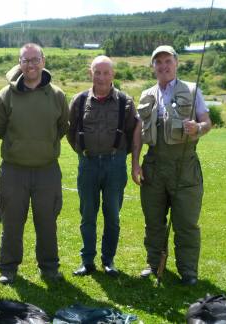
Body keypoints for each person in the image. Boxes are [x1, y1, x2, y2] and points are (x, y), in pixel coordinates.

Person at [132, 45, 212, 286]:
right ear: (153, 66)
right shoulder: (147, 94)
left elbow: (207, 122)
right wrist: (135, 164)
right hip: (153, 165)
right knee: (154, 222)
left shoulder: (192, 90)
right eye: (159, 62)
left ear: (176, 63)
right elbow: (138, 132)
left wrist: (198, 129)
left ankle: (188, 271)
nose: (163, 66)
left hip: (184, 167)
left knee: (186, 223)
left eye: (168, 61)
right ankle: (153, 263)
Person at [0, 43, 69, 284]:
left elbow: (62, 127)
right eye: (26, 60)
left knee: (47, 221)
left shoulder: (57, 95)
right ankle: (8, 267)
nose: (31, 65)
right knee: (12, 221)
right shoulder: (6, 95)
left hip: (47, 170)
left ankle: (49, 267)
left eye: (35, 59)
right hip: (14, 170)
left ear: (43, 62)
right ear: (20, 63)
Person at [67, 55, 139, 277]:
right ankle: (87, 261)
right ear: (91, 73)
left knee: (112, 216)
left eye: (106, 72)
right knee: (87, 215)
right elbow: (71, 133)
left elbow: (133, 133)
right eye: (97, 72)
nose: (101, 77)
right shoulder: (79, 101)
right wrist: (84, 151)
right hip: (87, 164)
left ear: (113, 75)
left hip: (115, 165)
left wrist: (123, 158)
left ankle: (109, 261)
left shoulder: (125, 102)